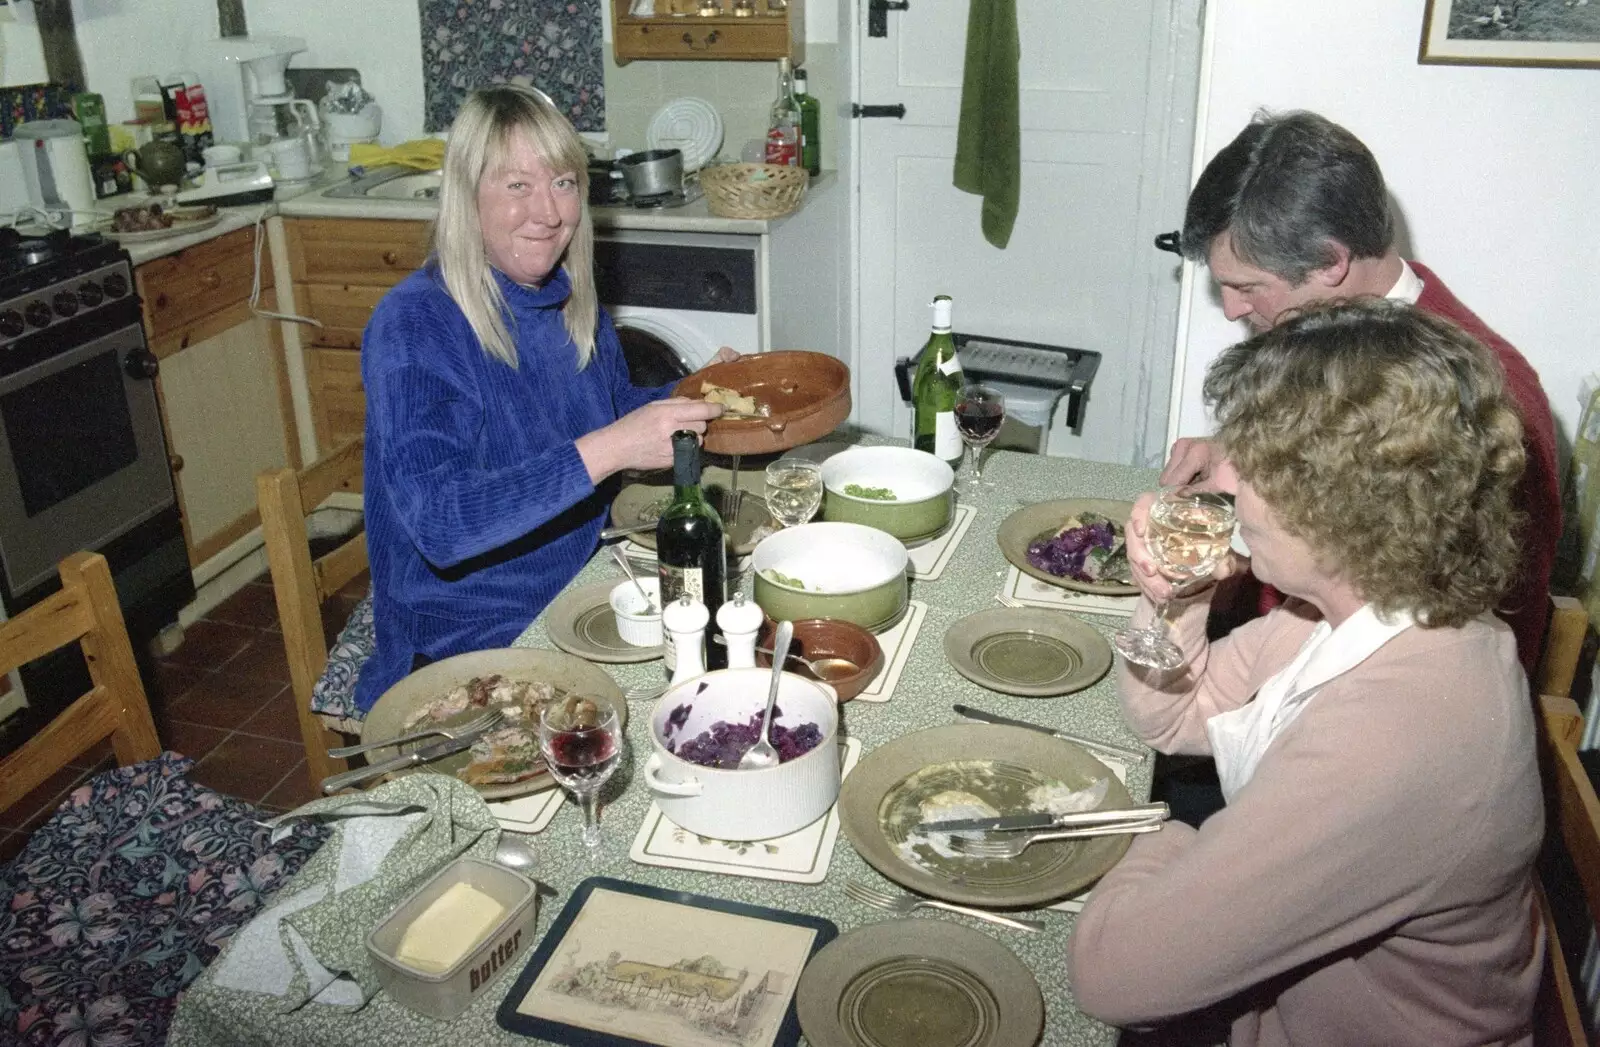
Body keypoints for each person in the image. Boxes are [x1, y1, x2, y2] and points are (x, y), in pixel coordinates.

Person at [1068, 300, 1543, 1047]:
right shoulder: (1371, 611)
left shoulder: (1395, 733)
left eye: (1249, 461)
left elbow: (1109, 976)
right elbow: (1173, 718)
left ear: (1333, 506)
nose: (1223, 477)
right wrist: (1178, 594)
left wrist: (1169, 842)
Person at [354, 85, 727, 713]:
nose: (549, 214)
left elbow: (611, 420)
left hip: (580, 581)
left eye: (562, 183)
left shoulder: (564, 301)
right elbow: (442, 525)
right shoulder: (416, 325)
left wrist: (700, 393)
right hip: (469, 640)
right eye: (516, 186)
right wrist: (612, 448)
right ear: (466, 198)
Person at [1165, 109, 1558, 674]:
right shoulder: (1341, 344)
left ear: (1331, 261)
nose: (1231, 311)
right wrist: (1247, 456)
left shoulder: (1481, 400)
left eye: (1249, 287)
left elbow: (1457, 645)